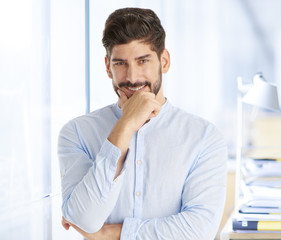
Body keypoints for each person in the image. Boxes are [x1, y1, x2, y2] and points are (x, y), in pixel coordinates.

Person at [58, 7, 227, 240]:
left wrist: (108, 234)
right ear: (108, 67)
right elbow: (84, 219)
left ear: (164, 61)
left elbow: (198, 230)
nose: (132, 77)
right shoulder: (76, 133)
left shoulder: (204, 137)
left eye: (143, 61)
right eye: (120, 63)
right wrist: (125, 126)